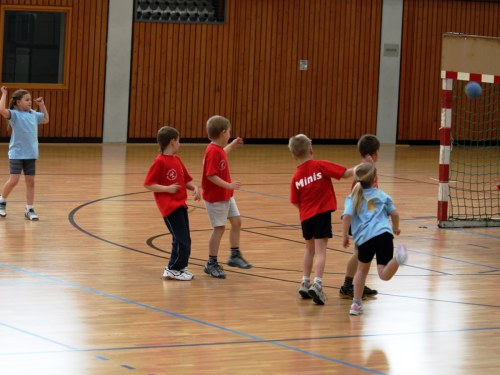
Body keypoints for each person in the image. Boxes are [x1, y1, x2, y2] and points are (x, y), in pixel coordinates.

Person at [289, 134, 355, 305]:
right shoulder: (319, 165)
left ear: (294, 155)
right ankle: (317, 284)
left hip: (306, 217)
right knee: (320, 251)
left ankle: (305, 282)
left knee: (309, 250)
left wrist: (306, 210)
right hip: (321, 215)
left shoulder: (296, 177)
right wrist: (362, 168)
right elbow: (346, 173)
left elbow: (295, 201)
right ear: (311, 150)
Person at [342, 162, 408, 316]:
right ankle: (398, 258)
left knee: (362, 270)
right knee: (384, 274)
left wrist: (345, 235)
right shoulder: (383, 195)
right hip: (385, 235)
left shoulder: (353, 197)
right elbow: (395, 214)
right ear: (375, 178)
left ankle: (356, 305)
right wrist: (396, 228)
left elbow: (346, 217)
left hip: (365, 238)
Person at [144, 126, 201, 281]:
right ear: (172, 142)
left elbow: (186, 180)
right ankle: (173, 268)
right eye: (179, 140)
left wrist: (195, 188)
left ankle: (178, 268)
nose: (180, 143)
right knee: (182, 240)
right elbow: (148, 183)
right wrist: (166, 189)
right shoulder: (159, 162)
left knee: (182, 239)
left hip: (181, 205)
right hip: (170, 208)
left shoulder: (176, 160)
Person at [202, 115, 251, 279]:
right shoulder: (211, 151)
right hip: (216, 198)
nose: (230, 134)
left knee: (237, 222)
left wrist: (232, 145)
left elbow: (222, 153)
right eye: (229, 132)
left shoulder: (217, 149)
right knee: (219, 229)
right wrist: (228, 185)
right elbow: (210, 175)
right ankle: (211, 263)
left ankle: (234, 255)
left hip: (226, 195)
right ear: (223, 132)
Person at [339, 134, 381, 299]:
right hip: (360, 218)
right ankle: (348, 285)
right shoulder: (366, 169)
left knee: (362, 253)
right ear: (374, 153)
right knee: (359, 254)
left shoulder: (364, 167)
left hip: (363, 217)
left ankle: (357, 283)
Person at [0, 86, 49, 220]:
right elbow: (2, 110)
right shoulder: (15, 114)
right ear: (18, 102)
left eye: (30, 100)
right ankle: (2, 201)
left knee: (30, 182)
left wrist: (42, 105)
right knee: (14, 180)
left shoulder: (33, 114)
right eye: (27, 100)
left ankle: (29, 208)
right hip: (17, 153)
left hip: (31, 154)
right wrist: (4, 94)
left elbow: (45, 119)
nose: (30, 102)